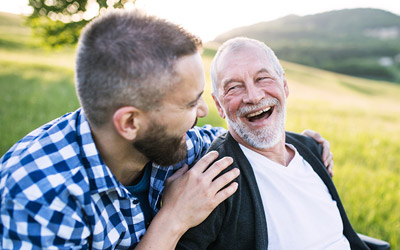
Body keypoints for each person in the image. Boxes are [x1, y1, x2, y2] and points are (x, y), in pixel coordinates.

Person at [0, 10, 332, 250]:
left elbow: (243, 134)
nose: (203, 114)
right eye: (190, 104)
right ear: (130, 123)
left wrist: (303, 145)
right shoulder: (36, 195)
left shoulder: (177, 145)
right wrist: (173, 220)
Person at [175, 37, 369, 250]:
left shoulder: (312, 149)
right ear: (219, 106)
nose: (254, 97)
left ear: (284, 86)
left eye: (262, 78)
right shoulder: (216, 180)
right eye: (234, 87)